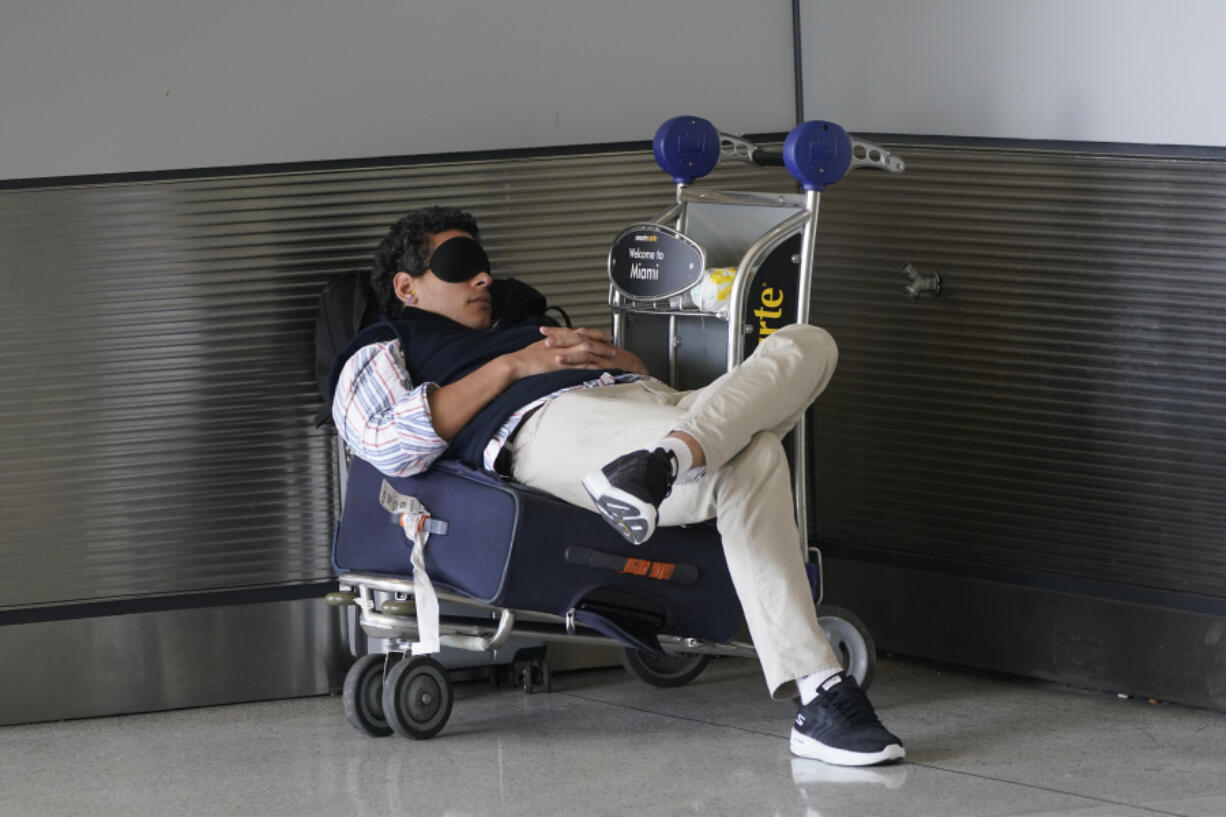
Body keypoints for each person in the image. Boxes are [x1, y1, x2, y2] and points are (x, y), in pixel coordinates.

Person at [332, 205, 905, 766]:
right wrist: (514, 366)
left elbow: (637, 384)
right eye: (458, 265)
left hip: (651, 410)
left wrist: (632, 368)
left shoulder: (522, 320)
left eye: (482, 263)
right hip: (549, 424)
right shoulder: (389, 345)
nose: (483, 276)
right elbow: (388, 443)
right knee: (753, 455)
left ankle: (666, 462)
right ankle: (822, 692)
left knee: (809, 343)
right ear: (406, 287)